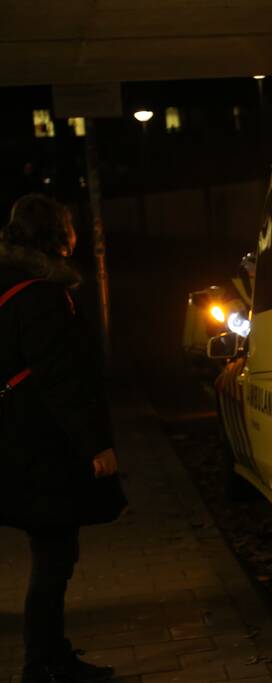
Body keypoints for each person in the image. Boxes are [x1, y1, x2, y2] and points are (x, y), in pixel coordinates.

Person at [0, 194, 121, 682]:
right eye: (69, 228)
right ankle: (43, 663)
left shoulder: (9, 288)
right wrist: (96, 445)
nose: (75, 236)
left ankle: (52, 656)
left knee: (52, 551)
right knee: (54, 556)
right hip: (40, 446)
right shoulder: (42, 296)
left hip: (16, 440)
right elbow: (62, 379)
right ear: (56, 237)